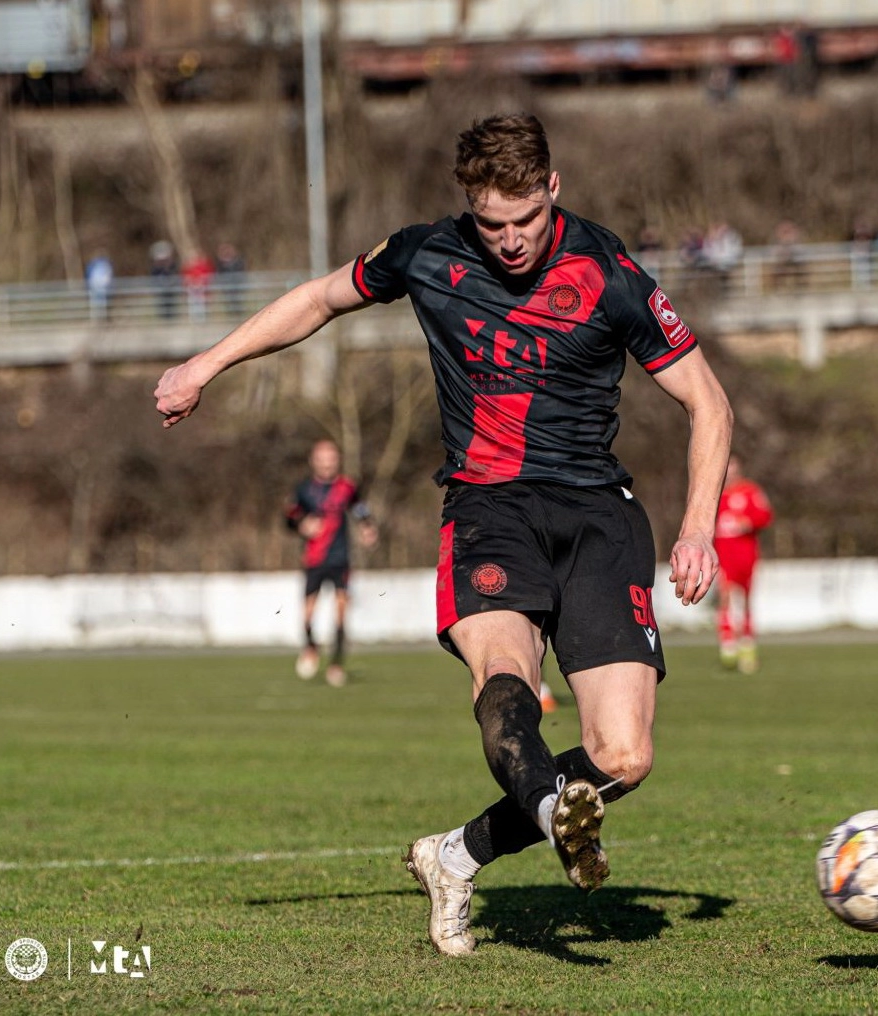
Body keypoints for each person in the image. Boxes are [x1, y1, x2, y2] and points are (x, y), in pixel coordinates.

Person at [153, 113, 732, 956]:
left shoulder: (609, 273)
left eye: (525, 221)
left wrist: (699, 527)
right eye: (491, 224)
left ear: (553, 189)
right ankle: (549, 810)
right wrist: (202, 366)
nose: (508, 241)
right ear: (469, 206)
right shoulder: (427, 252)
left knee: (625, 755)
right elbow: (319, 300)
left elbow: (707, 401)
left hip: (599, 517)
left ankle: (454, 856)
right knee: (506, 679)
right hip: (488, 508)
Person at [285, 439, 378, 688]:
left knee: (340, 613)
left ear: (336, 460)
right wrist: (302, 525)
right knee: (307, 614)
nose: (327, 463)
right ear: (314, 461)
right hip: (314, 559)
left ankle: (336, 665)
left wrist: (367, 527)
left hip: (340, 558)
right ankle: (311, 647)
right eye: (322, 458)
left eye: (331, 457)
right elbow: (290, 516)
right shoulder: (305, 489)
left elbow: (359, 508)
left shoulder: (346, 487)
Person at [713, 455, 773, 673]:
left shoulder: (750, 491)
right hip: (722, 557)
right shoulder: (713, 494)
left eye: (733, 468)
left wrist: (747, 522)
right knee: (725, 597)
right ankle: (728, 645)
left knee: (746, 600)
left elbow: (765, 515)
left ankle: (747, 646)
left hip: (746, 556)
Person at [85, 250, 114, 322]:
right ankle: (101, 319)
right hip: (102, 286)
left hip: (95, 286)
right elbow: (109, 276)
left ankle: (96, 319)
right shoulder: (106, 265)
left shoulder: (93, 264)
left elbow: (88, 274)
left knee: (96, 304)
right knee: (101, 303)